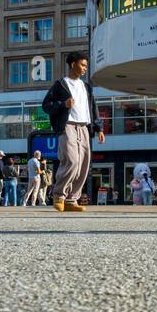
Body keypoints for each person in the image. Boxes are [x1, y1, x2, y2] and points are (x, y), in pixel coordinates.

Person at [41, 52, 105, 213]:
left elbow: (93, 108)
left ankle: (71, 199)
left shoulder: (86, 87)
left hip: (84, 127)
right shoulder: (61, 84)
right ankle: (59, 195)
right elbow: (46, 106)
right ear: (73, 64)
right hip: (67, 126)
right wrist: (63, 104)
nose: (85, 68)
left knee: (83, 164)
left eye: (86, 66)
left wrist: (99, 129)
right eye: (82, 65)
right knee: (71, 160)